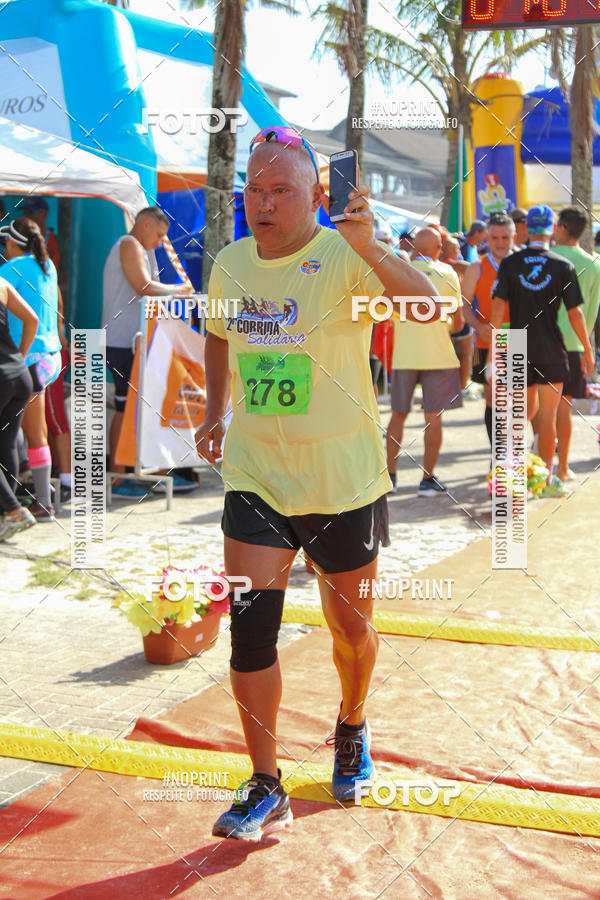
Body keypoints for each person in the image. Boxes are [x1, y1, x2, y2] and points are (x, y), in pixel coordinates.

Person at [194, 124, 437, 840]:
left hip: (342, 479)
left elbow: (429, 308)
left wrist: (373, 246)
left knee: (351, 629)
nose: (263, 202)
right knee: (250, 631)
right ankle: (264, 782)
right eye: (254, 190)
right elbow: (218, 336)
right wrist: (213, 412)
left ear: (315, 195)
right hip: (257, 475)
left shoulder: (345, 253)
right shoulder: (231, 262)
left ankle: (352, 725)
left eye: (281, 189)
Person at [488, 204, 594, 495]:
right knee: (547, 416)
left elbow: (497, 309)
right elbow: (575, 314)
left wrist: (493, 351)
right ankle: (545, 480)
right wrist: (587, 348)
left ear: (526, 229)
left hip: (517, 346)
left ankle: (513, 477)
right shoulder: (562, 265)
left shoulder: (511, 263)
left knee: (519, 415)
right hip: (551, 348)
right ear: (552, 229)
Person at [102, 206, 194, 496]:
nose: (160, 241)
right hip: (122, 341)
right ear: (144, 225)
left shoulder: (143, 249)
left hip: (136, 339)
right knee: (125, 407)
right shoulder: (129, 244)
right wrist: (179, 290)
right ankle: (119, 475)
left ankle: (149, 471)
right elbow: (144, 287)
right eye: (159, 234)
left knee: (141, 406)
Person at [386, 227, 463, 496]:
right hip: (439, 355)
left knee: (398, 415)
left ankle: (390, 478)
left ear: (413, 248)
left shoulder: (399, 273)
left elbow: (388, 311)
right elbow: (458, 320)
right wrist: (446, 327)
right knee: (434, 418)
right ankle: (427, 480)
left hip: (405, 354)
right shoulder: (448, 273)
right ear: (440, 249)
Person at [0, 218, 61, 521]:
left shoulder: (12, 268)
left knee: (29, 434)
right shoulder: (47, 265)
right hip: (51, 356)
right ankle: (32, 496)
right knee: (26, 432)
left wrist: (20, 356)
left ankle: (40, 504)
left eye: (5, 244)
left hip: (30, 358)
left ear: (12, 244)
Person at [22, 199, 72, 504]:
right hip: (44, 352)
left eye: (32, 211)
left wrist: (59, 335)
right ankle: (44, 483)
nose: (31, 214)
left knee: (51, 419)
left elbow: (57, 307)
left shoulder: (40, 268)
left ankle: (65, 482)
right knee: (35, 424)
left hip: (44, 354)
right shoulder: (42, 269)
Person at [552, 206, 600, 481]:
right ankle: (562, 468)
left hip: (540, 341)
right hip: (574, 342)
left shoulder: (545, 257)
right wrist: (585, 347)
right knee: (564, 408)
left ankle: (540, 461)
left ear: (561, 228)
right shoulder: (594, 265)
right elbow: (590, 313)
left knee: (537, 407)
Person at [461, 213, 514, 452]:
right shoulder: (477, 267)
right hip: (487, 341)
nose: (500, 243)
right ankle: (498, 455)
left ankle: (518, 455)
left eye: (505, 237)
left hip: (518, 338)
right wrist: (478, 326)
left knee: (519, 401)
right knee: (493, 399)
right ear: (487, 238)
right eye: (495, 238)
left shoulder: (523, 263)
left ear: (513, 236)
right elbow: (464, 305)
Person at [0, 275, 38, 539]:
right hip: (19, 374)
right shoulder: (2, 283)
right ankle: (6, 515)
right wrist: (21, 356)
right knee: (7, 445)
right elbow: (32, 319)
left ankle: (13, 511)